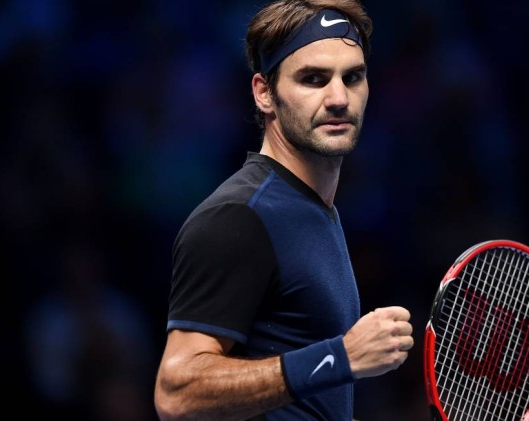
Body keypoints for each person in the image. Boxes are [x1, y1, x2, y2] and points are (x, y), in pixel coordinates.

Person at [154, 1, 414, 419]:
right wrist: (341, 358)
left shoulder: (318, 211)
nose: (338, 98)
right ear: (264, 93)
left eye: (353, 77)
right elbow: (177, 392)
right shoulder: (239, 217)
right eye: (313, 79)